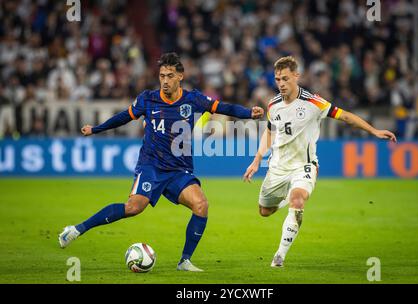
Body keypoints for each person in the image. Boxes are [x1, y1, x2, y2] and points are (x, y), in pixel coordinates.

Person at [59, 52, 264, 272]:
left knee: (201, 205)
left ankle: (184, 261)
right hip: (152, 166)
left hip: (179, 170)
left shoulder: (193, 99)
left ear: (180, 77)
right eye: (161, 76)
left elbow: (223, 108)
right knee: (134, 207)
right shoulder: (148, 98)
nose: (164, 81)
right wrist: (96, 129)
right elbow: (124, 116)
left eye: (169, 76)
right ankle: (77, 229)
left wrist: (248, 113)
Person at [243, 56, 396, 267]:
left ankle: (279, 256)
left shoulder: (314, 102)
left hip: (304, 166)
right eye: (277, 79)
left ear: (296, 76)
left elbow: (345, 117)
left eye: (285, 79)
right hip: (277, 166)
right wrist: (257, 159)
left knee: (298, 201)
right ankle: (287, 197)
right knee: (264, 211)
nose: (281, 84)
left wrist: (373, 130)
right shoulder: (273, 104)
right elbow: (269, 133)